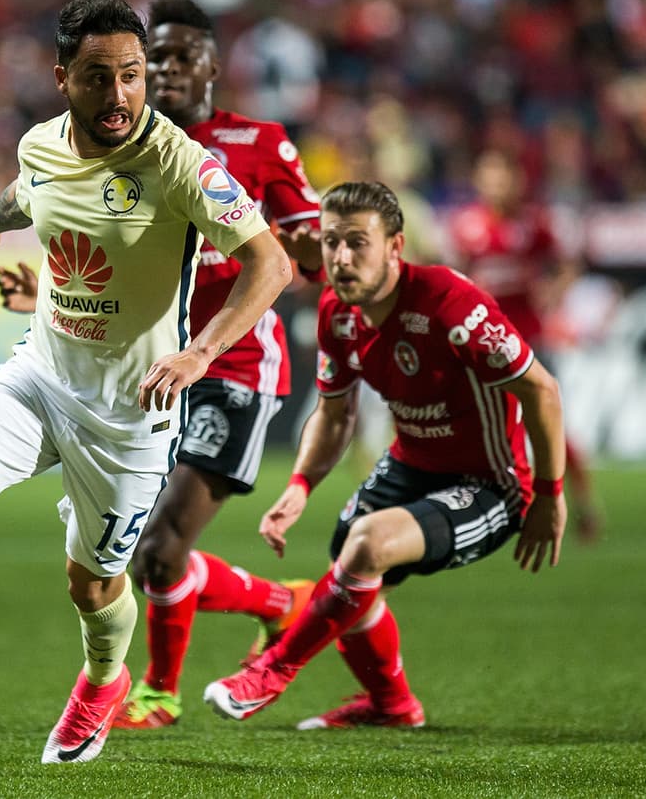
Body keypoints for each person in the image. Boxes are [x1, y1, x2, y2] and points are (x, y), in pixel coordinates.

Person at [0, 0, 291, 765]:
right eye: (99, 77)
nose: (120, 94)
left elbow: (273, 262)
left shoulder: (180, 163)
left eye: (131, 75)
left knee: (92, 584)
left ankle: (104, 679)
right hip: (42, 372)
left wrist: (199, 353)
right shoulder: (42, 145)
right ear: (63, 78)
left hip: (131, 414)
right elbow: (25, 197)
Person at [0, 0, 324, 731]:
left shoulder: (257, 142)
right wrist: (47, 294)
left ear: (211, 64)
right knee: (143, 549)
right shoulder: (128, 149)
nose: (166, 72)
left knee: (160, 543)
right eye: (159, 59)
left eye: (178, 58)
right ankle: (280, 602)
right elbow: (114, 269)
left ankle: (159, 690)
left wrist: (321, 252)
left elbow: (303, 244)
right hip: (146, 372)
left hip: (230, 368)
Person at [203, 181, 568, 727]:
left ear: (395, 247)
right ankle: (393, 705)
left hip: (491, 482)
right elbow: (334, 414)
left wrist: (549, 495)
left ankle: (269, 673)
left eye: (357, 243)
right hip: (410, 464)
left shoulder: (453, 305)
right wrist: (300, 486)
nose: (341, 258)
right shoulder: (338, 313)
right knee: (346, 575)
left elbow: (541, 390)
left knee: (365, 547)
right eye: (331, 243)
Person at [450, 148, 603, 541]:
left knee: (548, 424)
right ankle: (492, 510)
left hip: (529, 341)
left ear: (516, 181)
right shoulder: (468, 226)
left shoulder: (533, 225)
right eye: (489, 177)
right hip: (482, 344)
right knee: (484, 427)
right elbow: (454, 278)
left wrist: (552, 293)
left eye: (502, 177)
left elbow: (567, 264)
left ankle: (583, 504)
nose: (496, 185)